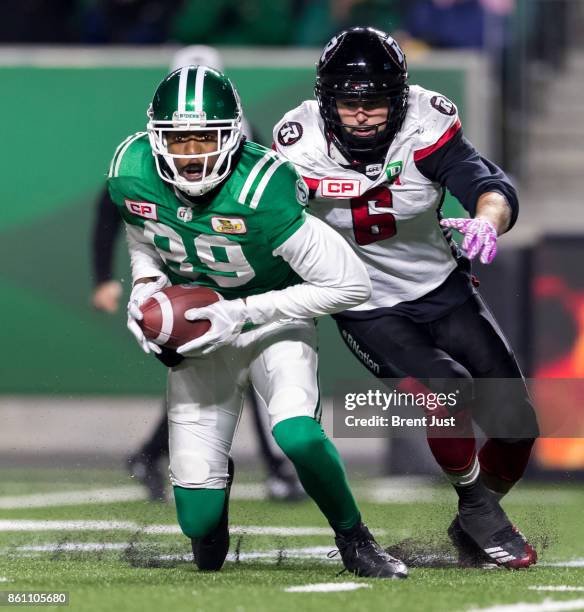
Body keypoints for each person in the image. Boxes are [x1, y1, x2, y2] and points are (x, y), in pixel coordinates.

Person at [106, 64, 408, 578]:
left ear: (234, 136)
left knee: (298, 436)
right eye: (179, 142)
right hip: (202, 333)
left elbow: (350, 283)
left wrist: (242, 312)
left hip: (272, 321)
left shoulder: (263, 187)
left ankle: (355, 539)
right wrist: (145, 288)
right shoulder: (132, 170)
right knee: (198, 527)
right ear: (156, 141)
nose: (193, 155)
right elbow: (144, 237)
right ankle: (211, 490)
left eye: (205, 139)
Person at [273, 26, 539, 569]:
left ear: (400, 100)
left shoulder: (426, 123)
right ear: (327, 102)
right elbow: (269, 219)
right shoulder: (299, 143)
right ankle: (477, 507)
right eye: (351, 103)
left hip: (442, 288)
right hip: (365, 303)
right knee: (447, 391)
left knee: (517, 425)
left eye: (377, 102)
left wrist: (487, 221)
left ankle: (473, 520)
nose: (365, 115)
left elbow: (488, 186)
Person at [91, 45, 305, 503]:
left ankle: (154, 455)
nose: (193, 145)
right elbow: (114, 202)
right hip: (188, 268)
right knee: (216, 371)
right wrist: (107, 275)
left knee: (220, 372)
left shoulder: (243, 141)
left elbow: (269, 202)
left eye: (204, 137)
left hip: (232, 266)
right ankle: (272, 468)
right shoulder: (144, 152)